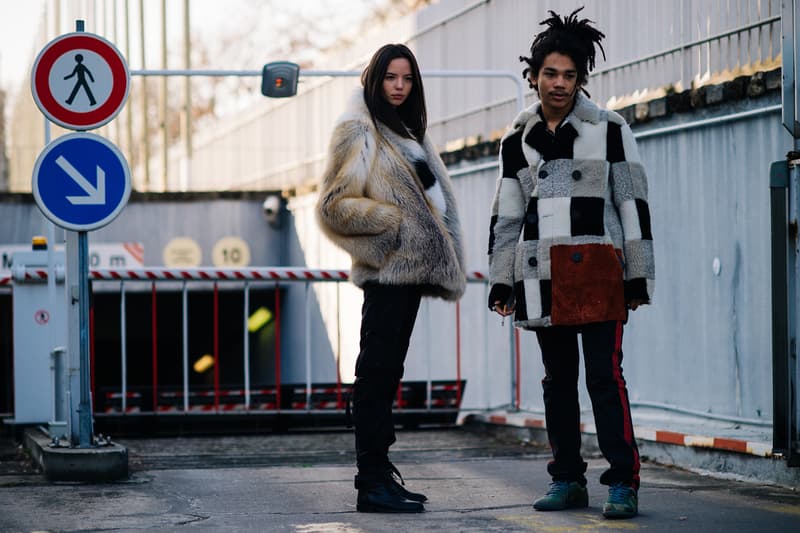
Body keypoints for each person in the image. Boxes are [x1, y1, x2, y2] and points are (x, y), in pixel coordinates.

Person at [487, 8, 655, 520]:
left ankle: (623, 482)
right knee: (556, 381)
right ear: (533, 76)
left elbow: (632, 203)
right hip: (542, 275)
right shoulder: (517, 139)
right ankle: (566, 479)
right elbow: (507, 216)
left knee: (604, 378)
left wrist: (637, 275)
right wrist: (501, 281)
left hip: (599, 272)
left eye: (569, 75)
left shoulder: (609, 128)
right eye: (550, 73)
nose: (559, 84)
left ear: (581, 79)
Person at [316, 43, 466, 513]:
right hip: (388, 272)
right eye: (390, 78)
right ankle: (371, 482)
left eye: (407, 79)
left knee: (387, 374)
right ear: (374, 80)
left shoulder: (406, 132)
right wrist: (392, 227)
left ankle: (381, 473)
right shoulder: (359, 129)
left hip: (409, 273)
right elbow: (333, 206)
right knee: (375, 374)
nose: (399, 87)